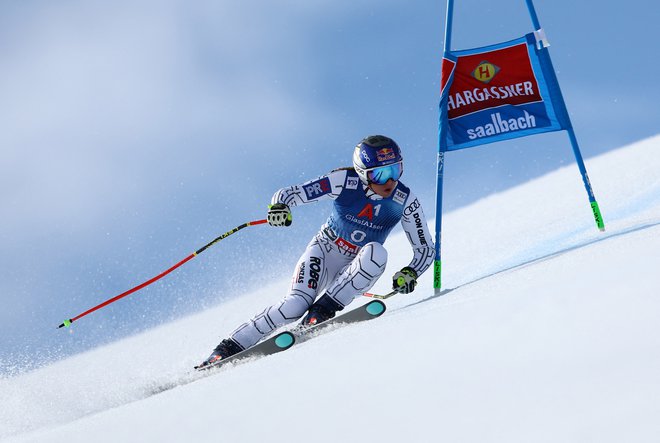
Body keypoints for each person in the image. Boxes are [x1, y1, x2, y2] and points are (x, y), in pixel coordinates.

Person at [197, 135, 434, 368]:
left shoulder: (404, 200)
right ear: (363, 172)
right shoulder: (345, 181)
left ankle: (323, 310)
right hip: (323, 251)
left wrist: (411, 272)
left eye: (395, 170)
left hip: (354, 268)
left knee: (376, 253)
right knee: (294, 306)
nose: (389, 182)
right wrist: (280, 207)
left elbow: (425, 249)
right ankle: (227, 348)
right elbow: (291, 193)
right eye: (380, 174)